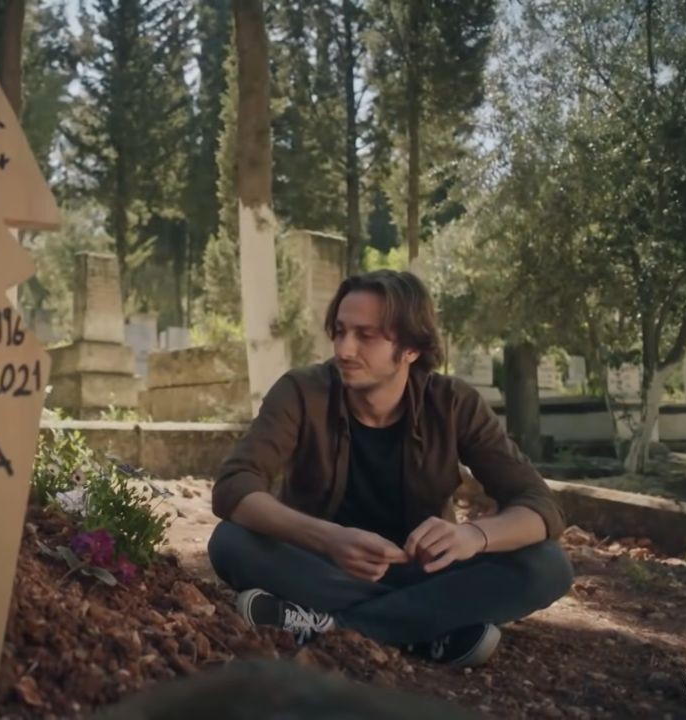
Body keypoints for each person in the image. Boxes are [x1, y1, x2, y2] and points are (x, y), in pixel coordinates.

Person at [208, 270, 573, 668]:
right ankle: (425, 629)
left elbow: (540, 504)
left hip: (427, 572)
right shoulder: (301, 391)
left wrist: (473, 536)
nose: (344, 349)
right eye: (340, 332)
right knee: (231, 542)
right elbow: (234, 484)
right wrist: (329, 539)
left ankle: (332, 626)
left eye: (365, 336)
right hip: (322, 565)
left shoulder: (453, 403)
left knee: (548, 565)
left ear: (411, 348)